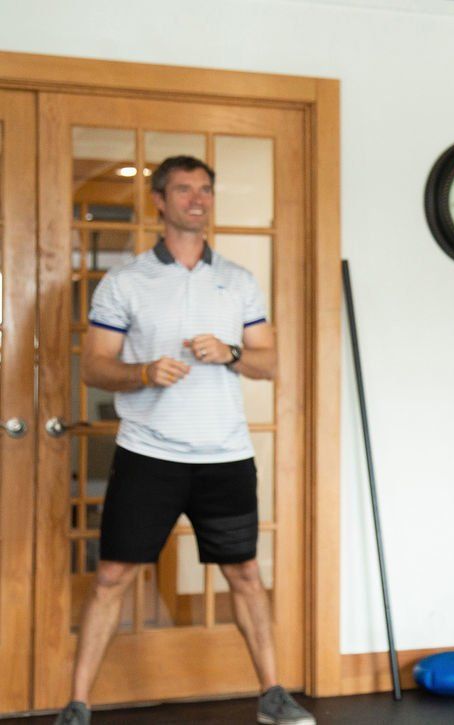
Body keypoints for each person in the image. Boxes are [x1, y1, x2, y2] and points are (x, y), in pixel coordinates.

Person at [54, 156, 314, 725]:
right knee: (112, 576)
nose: (197, 199)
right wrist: (143, 372)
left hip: (226, 457)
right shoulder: (126, 281)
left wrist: (232, 352)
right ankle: (77, 705)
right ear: (159, 200)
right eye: (183, 189)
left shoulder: (238, 281)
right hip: (149, 455)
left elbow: (270, 362)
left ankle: (273, 694)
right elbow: (94, 367)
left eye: (205, 190)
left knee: (245, 574)